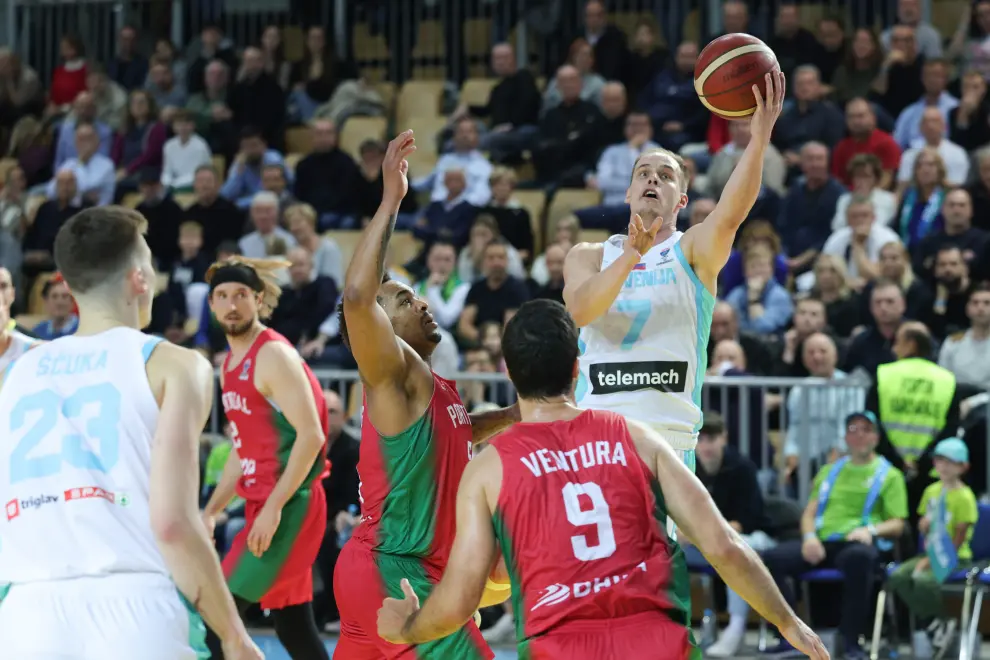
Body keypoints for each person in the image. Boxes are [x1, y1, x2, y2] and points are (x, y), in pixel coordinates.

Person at [374, 299, 828, 660]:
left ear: (508, 372)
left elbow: (458, 602)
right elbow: (723, 545)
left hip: (560, 645)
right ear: (577, 367)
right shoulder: (634, 436)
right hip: (657, 640)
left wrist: (407, 627)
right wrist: (788, 622)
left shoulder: (488, 468)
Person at [562, 71, 786, 612]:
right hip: (596, 435)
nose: (653, 180)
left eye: (665, 175)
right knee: (590, 586)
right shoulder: (589, 254)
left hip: (667, 440)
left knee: (644, 585)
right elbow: (581, 310)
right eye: (644, 172)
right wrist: (632, 255)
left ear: (681, 198)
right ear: (627, 188)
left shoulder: (693, 252)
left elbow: (733, 209)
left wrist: (758, 140)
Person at [0, 206, 261, 659]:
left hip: (27, 613)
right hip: (135, 605)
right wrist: (235, 636)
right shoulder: (176, 364)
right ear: (140, 278)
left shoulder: (17, 372)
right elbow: (173, 522)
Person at [334, 130, 519, 658]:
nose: (419, 303)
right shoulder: (392, 369)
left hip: (388, 569)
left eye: (415, 295)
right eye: (402, 300)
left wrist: (508, 415)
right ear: (378, 330)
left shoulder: (432, 388)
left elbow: (458, 431)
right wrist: (392, 198)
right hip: (393, 572)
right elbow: (355, 296)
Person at [201, 256, 332, 660]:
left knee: (216, 624)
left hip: (292, 503)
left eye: (241, 294)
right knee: (293, 626)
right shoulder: (230, 366)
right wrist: (211, 509)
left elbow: (312, 436)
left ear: (258, 299)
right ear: (211, 305)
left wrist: (274, 507)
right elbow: (244, 449)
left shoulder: (273, 355)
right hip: (268, 503)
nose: (232, 304)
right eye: (222, 296)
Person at [887, 437, 978, 658]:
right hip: (929, 553)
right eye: (939, 460)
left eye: (951, 462)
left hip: (956, 557)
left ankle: (939, 622)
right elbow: (924, 527)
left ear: (963, 467)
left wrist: (930, 561)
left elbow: (959, 537)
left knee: (923, 579)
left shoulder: (965, 497)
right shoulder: (930, 491)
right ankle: (938, 621)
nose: (944, 466)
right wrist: (923, 526)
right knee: (898, 576)